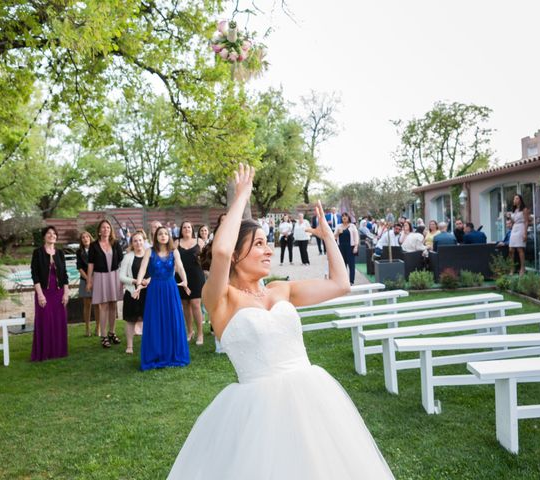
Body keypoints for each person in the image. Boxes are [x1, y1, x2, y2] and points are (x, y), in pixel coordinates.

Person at [168, 164, 394, 479]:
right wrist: (242, 196)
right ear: (236, 255)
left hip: (312, 398)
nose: (268, 250)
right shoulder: (221, 299)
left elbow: (340, 284)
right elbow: (219, 251)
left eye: (267, 242)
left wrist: (328, 236)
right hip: (258, 412)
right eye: (259, 243)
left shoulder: (281, 289)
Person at [134, 226, 191, 370]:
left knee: (172, 319)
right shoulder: (150, 251)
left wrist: (185, 281)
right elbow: (142, 269)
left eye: (166, 233)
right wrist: (139, 284)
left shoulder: (174, 251)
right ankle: (156, 354)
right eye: (160, 234)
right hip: (155, 289)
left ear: (169, 236)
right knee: (155, 320)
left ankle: (173, 354)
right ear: (156, 236)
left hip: (170, 289)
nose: (163, 236)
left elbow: (181, 267)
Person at [30, 226, 69, 362]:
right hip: (44, 292)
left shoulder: (60, 253)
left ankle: (58, 351)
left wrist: (66, 293)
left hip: (59, 293)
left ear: (56, 237)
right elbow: (35, 275)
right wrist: (40, 295)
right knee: (45, 321)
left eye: (54, 234)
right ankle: (44, 352)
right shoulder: (37, 253)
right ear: (44, 236)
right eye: (49, 233)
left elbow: (64, 275)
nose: (52, 235)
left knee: (59, 321)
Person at [87, 219, 124, 349]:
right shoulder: (93, 246)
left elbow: (122, 262)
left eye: (108, 227)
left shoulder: (116, 244)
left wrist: (123, 278)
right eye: (103, 227)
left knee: (113, 304)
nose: (105, 229)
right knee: (103, 306)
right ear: (99, 230)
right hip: (100, 277)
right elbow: (90, 263)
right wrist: (89, 280)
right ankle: (103, 336)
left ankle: (112, 333)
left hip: (114, 276)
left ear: (111, 230)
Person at [176, 221, 206, 345]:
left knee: (195, 304)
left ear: (192, 229)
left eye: (189, 227)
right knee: (185, 304)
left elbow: (206, 259)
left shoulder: (199, 242)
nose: (187, 229)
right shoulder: (176, 243)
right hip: (181, 277)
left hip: (196, 276)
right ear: (181, 230)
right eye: (184, 227)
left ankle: (200, 333)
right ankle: (190, 331)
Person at [119, 231, 149, 354]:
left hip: (148, 292)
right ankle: (130, 346)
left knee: (149, 319)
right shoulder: (128, 257)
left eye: (140, 240)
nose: (138, 243)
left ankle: (148, 345)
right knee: (131, 320)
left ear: (144, 241)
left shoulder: (149, 255)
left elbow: (154, 272)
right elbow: (121, 276)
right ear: (132, 243)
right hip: (132, 293)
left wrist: (148, 280)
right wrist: (135, 281)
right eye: (135, 241)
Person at [76, 231, 99, 337]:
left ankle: (98, 328)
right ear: (81, 240)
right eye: (83, 237)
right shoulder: (79, 252)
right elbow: (79, 267)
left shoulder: (96, 249)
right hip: (84, 280)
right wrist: (88, 279)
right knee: (87, 305)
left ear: (90, 238)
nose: (85, 239)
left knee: (97, 305)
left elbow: (99, 265)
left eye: (87, 237)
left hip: (97, 279)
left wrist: (93, 278)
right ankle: (87, 328)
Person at [335, 212, 359, 285]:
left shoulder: (352, 226)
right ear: (341, 218)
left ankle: (351, 281)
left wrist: (356, 246)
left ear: (348, 217)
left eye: (346, 216)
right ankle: (344, 280)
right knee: (342, 265)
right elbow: (334, 237)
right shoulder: (338, 226)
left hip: (350, 247)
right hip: (341, 248)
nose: (344, 217)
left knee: (351, 265)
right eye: (343, 216)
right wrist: (338, 233)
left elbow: (356, 237)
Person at [509, 194, 529, 276]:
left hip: (521, 228)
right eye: (514, 199)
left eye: (516, 198)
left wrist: (525, 233)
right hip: (514, 228)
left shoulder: (524, 209)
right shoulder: (514, 210)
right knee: (511, 249)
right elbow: (513, 222)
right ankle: (512, 268)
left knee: (520, 249)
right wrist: (510, 217)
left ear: (520, 200)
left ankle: (522, 268)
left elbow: (526, 221)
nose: (514, 200)